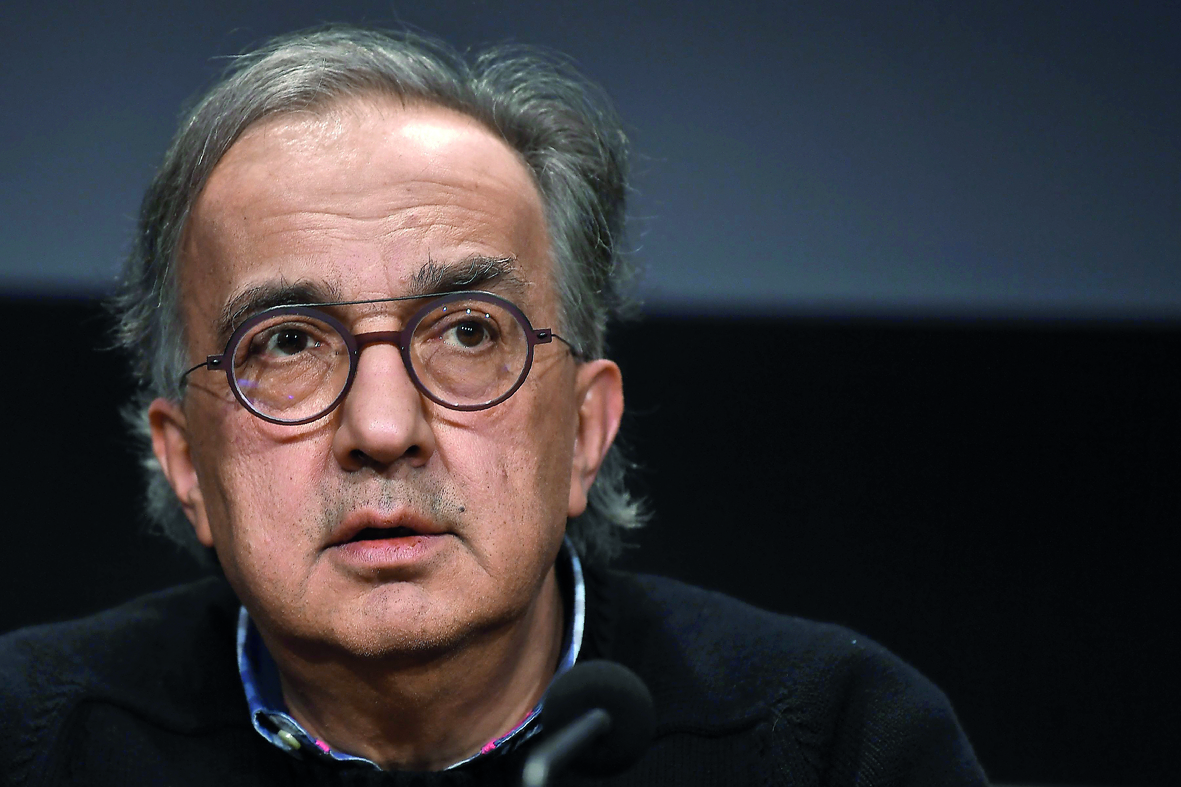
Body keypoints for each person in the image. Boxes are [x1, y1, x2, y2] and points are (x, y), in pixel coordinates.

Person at [0, 26, 988, 786]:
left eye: (468, 333)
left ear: (583, 433)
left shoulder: (833, 745)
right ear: (185, 465)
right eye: (288, 343)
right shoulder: (28, 740)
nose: (383, 431)